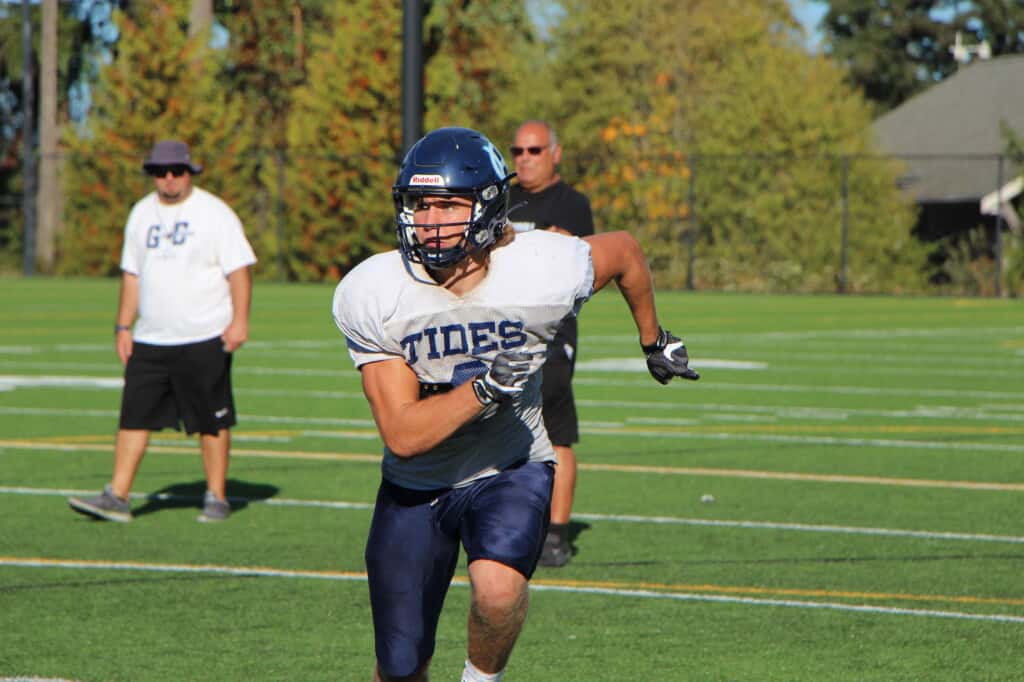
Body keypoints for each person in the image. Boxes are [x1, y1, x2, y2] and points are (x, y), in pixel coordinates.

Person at [332, 127, 698, 682]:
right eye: (419, 204)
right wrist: (484, 388)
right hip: (417, 482)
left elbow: (624, 252)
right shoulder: (376, 290)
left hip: (511, 464)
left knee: (499, 593)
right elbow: (403, 436)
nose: (429, 220)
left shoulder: (544, 267)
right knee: (401, 667)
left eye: (448, 205)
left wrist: (654, 340)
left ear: (486, 206)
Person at [68, 139, 256, 524]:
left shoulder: (214, 212)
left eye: (176, 171)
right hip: (151, 336)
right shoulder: (140, 213)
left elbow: (239, 269)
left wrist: (239, 320)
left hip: (204, 333)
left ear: (189, 172)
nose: (169, 179)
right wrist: (123, 325)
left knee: (211, 419)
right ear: (152, 175)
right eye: (160, 172)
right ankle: (117, 495)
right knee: (133, 416)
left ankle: (216, 496)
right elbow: (132, 274)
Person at [507, 120, 594, 567]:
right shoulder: (503, 199)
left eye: (534, 149)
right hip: (502, 330)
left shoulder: (572, 204)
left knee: (556, 431)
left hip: (553, 335)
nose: (524, 157)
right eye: (518, 149)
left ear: (555, 153)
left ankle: (556, 534)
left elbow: (577, 262)